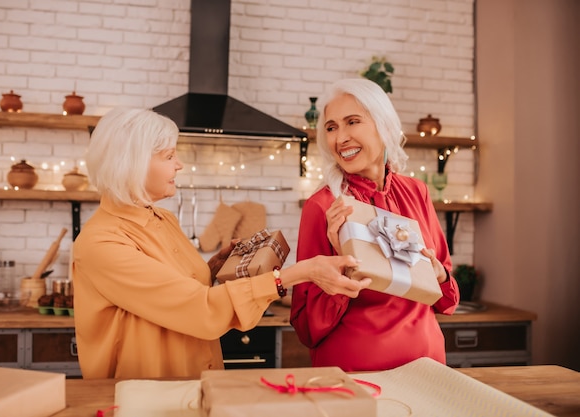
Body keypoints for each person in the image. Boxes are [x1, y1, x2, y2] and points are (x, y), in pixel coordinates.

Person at [72, 107, 371, 379]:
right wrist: (299, 273)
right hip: (144, 397)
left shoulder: (163, 219)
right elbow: (199, 310)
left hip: (193, 385)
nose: (179, 165)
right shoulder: (101, 243)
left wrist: (212, 268)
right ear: (131, 164)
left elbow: (176, 291)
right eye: (168, 156)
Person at [290, 78, 460, 372]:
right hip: (356, 375)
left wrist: (439, 275)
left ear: (384, 125)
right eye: (331, 127)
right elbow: (307, 326)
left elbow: (447, 299)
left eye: (352, 122)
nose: (340, 137)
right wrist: (340, 255)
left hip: (428, 368)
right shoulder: (322, 207)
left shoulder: (416, 191)